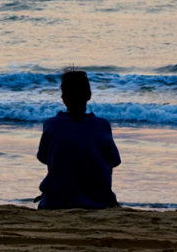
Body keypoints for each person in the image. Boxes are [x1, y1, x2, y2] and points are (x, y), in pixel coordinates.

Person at [36, 70, 121, 209]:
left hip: (56, 201)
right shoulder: (102, 125)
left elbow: (43, 158)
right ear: (89, 95)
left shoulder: (51, 125)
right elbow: (115, 161)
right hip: (99, 201)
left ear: (63, 97)